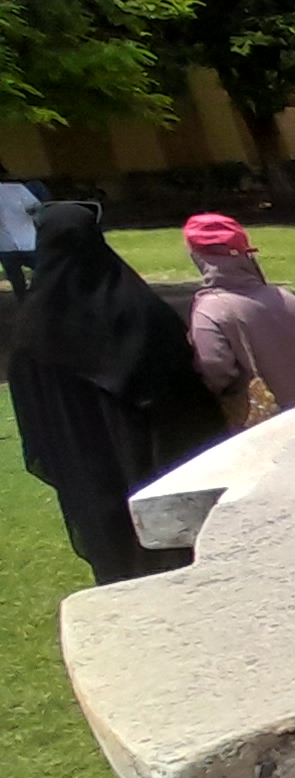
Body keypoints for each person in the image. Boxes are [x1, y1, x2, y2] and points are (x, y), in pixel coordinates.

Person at [8, 202, 225, 582]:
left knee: (118, 560)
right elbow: (186, 387)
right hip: (154, 457)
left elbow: (33, 414)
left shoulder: (32, 329)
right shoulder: (139, 308)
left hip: (87, 467)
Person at [181, 213, 295, 425]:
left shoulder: (211, 310)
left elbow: (216, 372)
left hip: (274, 428)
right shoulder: (287, 298)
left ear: (198, 256)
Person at [0, 177, 42, 298]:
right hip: (6, 245)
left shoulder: (16, 189)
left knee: (43, 271)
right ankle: (25, 304)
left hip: (26, 241)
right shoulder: (17, 188)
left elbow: (36, 208)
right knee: (16, 280)